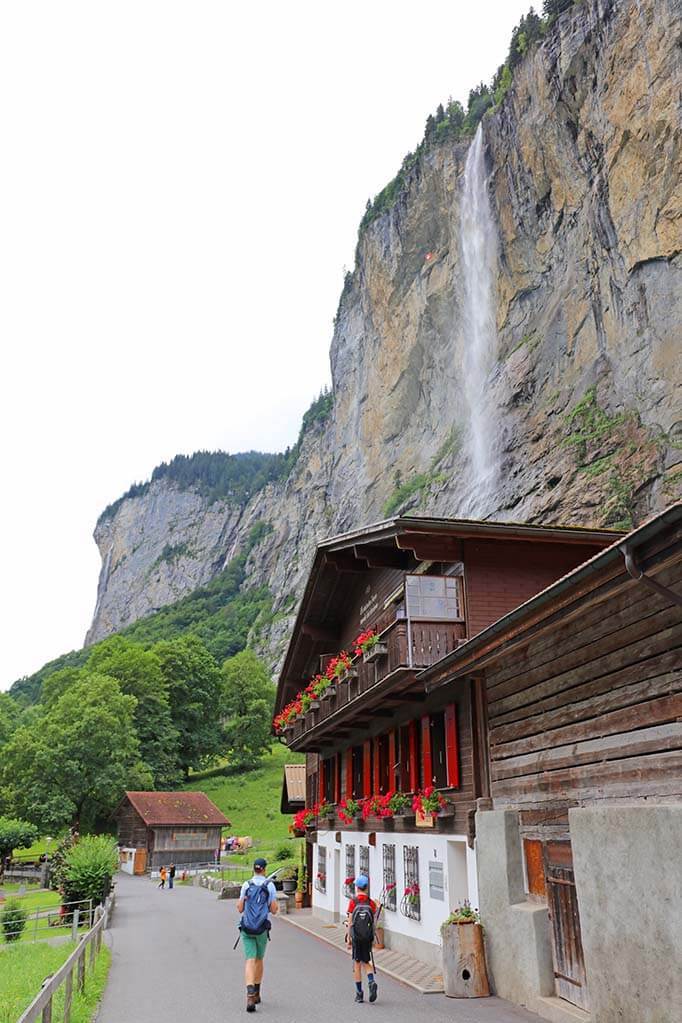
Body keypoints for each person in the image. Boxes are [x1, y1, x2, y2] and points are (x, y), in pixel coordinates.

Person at [237, 857, 278, 1012]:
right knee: (259, 959)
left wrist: (245, 901)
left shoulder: (246, 885)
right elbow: (274, 910)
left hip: (247, 928)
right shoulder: (270, 886)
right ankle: (257, 993)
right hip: (261, 929)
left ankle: (249, 994)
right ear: (265, 869)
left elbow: (240, 908)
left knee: (249, 960)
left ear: (254, 869)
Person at [345, 875, 378, 1003]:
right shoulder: (371, 903)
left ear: (357, 887)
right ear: (366, 887)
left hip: (357, 937)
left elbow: (351, 921)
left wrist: (348, 937)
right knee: (366, 961)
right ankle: (371, 981)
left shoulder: (353, 902)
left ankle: (359, 994)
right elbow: (374, 921)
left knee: (357, 963)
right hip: (368, 937)